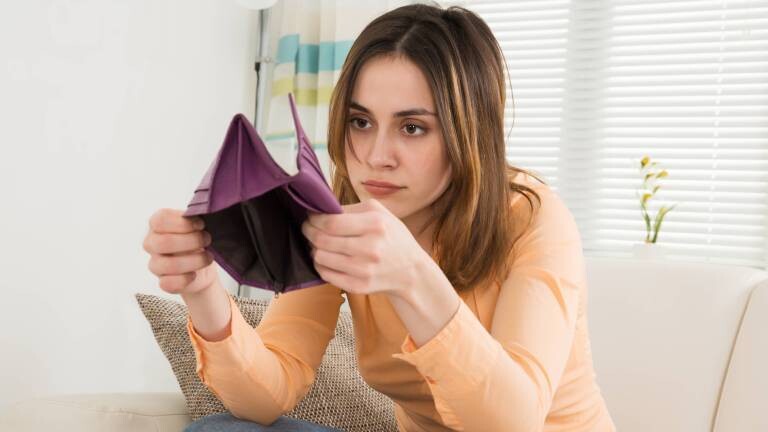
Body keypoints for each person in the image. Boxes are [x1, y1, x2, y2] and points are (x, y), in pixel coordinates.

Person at [142, 3, 616, 431]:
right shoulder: (342, 218)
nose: (375, 156)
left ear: (469, 133)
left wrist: (412, 276)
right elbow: (268, 395)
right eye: (361, 122)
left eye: (412, 127)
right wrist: (203, 292)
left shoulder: (533, 219)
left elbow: (514, 422)